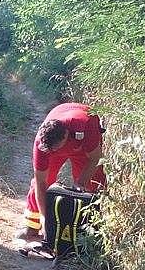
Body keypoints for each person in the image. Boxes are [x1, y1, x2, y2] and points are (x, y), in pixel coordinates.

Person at [18, 103, 107, 241]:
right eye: (51, 150)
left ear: (65, 136)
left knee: (93, 183)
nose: (55, 152)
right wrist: (44, 220)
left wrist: (80, 182)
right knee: (40, 183)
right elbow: (41, 183)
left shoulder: (86, 125)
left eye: (57, 148)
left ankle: (90, 229)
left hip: (82, 146)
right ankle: (32, 226)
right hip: (61, 138)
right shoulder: (42, 144)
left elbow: (95, 158)